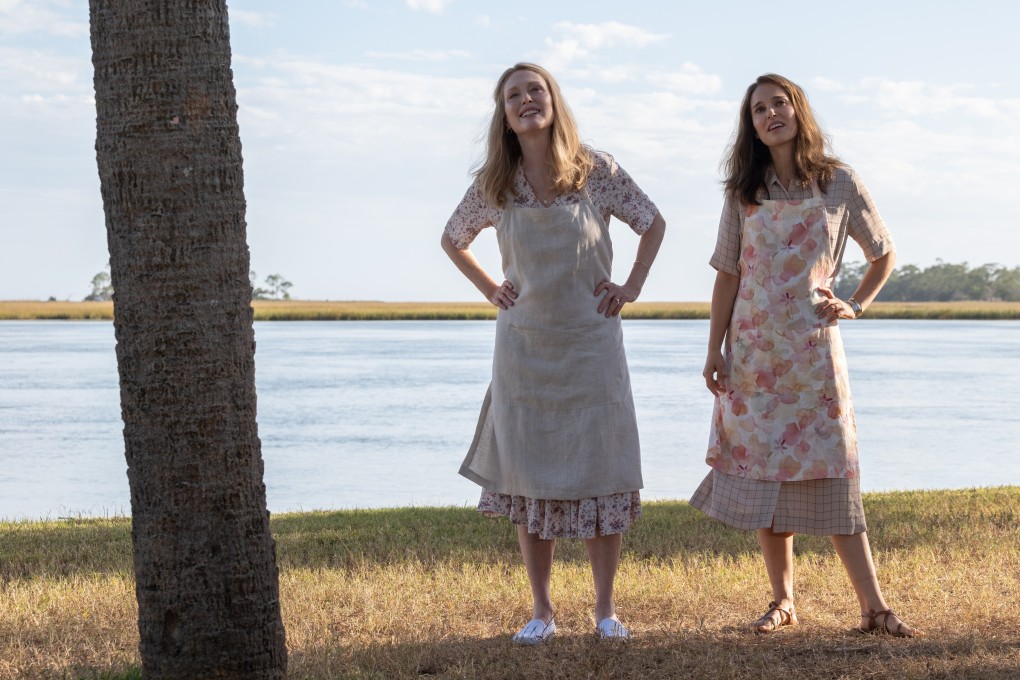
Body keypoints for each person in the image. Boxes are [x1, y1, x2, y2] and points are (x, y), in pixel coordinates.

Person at [441, 62, 666, 644]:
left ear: (553, 100)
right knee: (528, 478)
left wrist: (632, 286)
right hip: (524, 354)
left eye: (534, 91)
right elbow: (453, 238)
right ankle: (541, 611)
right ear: (504, 114)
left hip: (592, 349)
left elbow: (653, 222)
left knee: (603, 471)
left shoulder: (597, 170)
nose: (525, 101)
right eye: (513, 96)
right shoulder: (497, 180)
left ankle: (605, 611)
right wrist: (491, 288)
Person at [691, 73, 921, 637]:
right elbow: (727, 273)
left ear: (799, 110)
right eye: (759, 110)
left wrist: (856, 304)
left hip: (814, 355)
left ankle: (874, 607)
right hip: (751, 353)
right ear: (751, 125)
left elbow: (882, 252)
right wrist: (714, 348)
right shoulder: (743, 190)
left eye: (779, 103)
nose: (771, 115)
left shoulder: (838, 182)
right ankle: (782, 602)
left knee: (836, 474)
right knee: (768, 478)